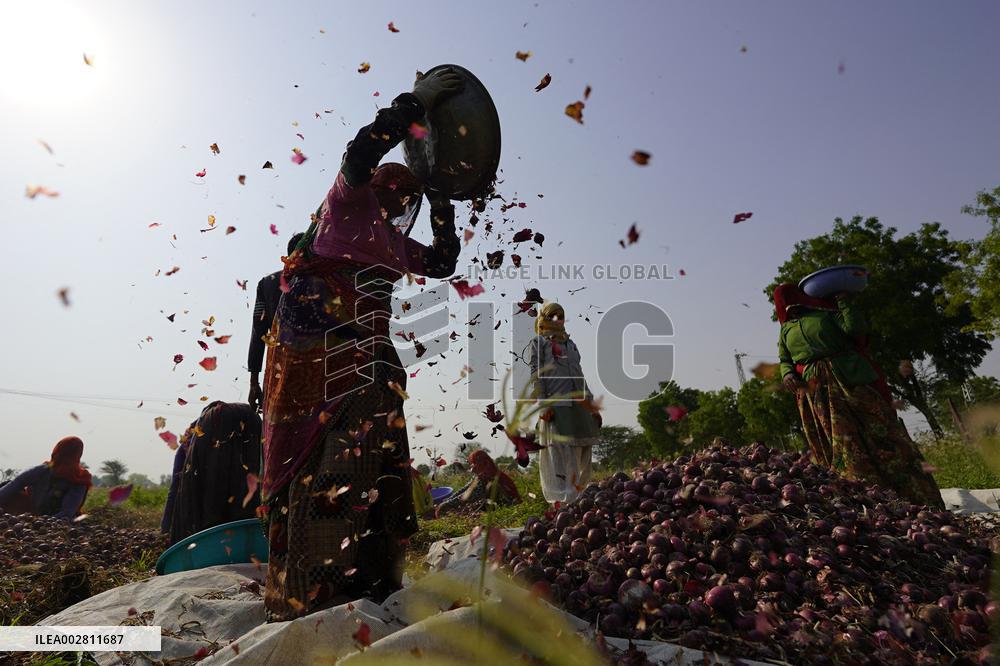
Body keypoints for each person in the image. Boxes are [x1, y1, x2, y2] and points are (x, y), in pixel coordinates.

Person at [260, 68, 463, 621]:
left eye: (409, 203)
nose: (400, 208)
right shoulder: (345, 206)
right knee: (322, 466)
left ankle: (371, 577)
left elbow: (444, 261)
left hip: (367, 359)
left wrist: (442, 194)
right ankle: (311, 591)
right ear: (379, 190)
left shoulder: (395, 244)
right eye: (396, 197)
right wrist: (414, 106)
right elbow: (359, 152)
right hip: (315, 357)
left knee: (371, 459)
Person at [773, 283, 943, 508]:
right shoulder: (786, 331)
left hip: (851, 378)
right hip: (818, 391)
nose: (790, 304)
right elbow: (785, 360)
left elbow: (855, 329)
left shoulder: (826, 315)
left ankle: (919, 500)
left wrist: (843, 301)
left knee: (882, 433)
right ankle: (869, 504)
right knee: (843, 443)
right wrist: (787, 375)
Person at [528, 302, 601, 505]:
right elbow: (536, 374)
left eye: (560, 316)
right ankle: (563, 503)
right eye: (552, 316)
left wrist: (591, 406)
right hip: (556, 405)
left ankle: (579, 498)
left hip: (579, 405)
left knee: (583, 450)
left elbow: (579, 376)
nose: (557, 320)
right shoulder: (539, 343)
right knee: (561, 453)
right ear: (544, 318)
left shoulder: (571, 344)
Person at [164, 402, 262, 544]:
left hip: (228, 421)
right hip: (248, 420)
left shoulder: (192, 445)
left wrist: (167, 531)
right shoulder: (191, 445)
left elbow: (176, 489)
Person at [249, 233, 306, 412]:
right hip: (316, 376)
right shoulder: (325, 280)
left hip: (278, 377)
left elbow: (258, 334)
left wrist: (253, 382)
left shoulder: (267, 284)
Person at [0, 437, 92, 520]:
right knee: (9, 488)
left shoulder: (79, 479)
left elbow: (67, 512)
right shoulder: (43, 470)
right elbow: (12, 487)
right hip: (31, 512)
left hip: (53, 519)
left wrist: (41, 522)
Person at [436, 450, 521, 516]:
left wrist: (448, 504)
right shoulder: (480, 475)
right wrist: (447, 501)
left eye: (474, 464)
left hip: (509, 505)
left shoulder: (489, 476)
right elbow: (466, 489)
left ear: (481, 463)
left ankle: (496, 513)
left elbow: (471, 495)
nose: (472, 467)